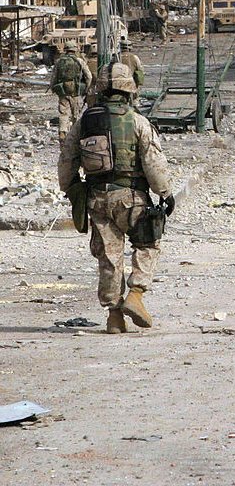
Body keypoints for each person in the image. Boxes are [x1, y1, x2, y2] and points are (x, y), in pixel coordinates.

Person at [57, 62, 175, 334]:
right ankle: (135, 294)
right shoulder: (137, 121)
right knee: (148, 243)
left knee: (109, 257)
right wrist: (165, 193)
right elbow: (153, 162)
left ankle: (114, 316)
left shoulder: (84, 122)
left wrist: (72, 189)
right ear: (129, 90)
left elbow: (66, 161)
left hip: (97, 198)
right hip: (132, 199)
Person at [50, 40, 93, 143]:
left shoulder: (59, 61)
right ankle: (75, 135)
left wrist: (54, 88)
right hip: (76, 91)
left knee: (64, 113)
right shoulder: (80, 61)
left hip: (63, 91)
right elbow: (89, 77)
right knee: (76, 114)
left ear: (66, 50)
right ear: (75, 50)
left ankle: (62, 132)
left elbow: (54, 77)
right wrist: (86, 88)